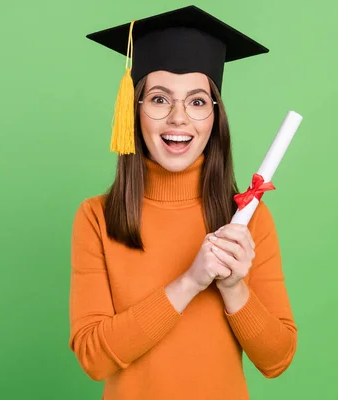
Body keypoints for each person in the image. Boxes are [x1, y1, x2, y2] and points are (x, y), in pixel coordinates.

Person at [68, 5, 297, 399]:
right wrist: (190, 282)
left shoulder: (247, 218)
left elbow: (276, 360)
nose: (179, 118)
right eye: (159, 99)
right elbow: (94, 359)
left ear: (214, 115)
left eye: (196, 101)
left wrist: (233, 285)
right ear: (134, 110)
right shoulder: (96, 217)